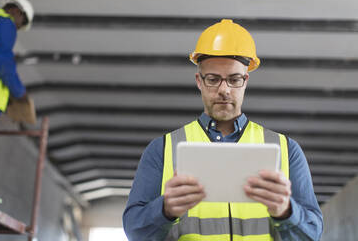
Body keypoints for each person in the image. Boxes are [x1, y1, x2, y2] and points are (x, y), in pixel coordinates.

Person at [123, 19, 323, 241]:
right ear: (199, 81)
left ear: (245, 81)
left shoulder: (286, 150)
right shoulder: (162, 149)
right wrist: (165, 209)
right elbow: (134, 231)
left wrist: (286, 211)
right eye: (213, 79)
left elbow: (312, 235)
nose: (224, 90)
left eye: (234, 79)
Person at [0, 0, 34, 124]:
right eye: (22, 23)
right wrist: (19, 92)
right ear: (18, 11)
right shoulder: (5, 22)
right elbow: (2, 59)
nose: (18, 28)